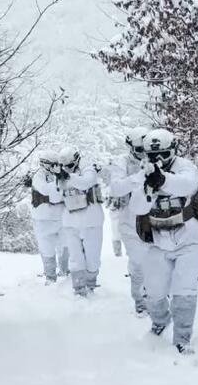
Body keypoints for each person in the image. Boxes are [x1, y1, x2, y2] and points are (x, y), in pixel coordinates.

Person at [129, 129, 198, 353]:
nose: (157, 160)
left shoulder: (185, 167)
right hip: (158, 240)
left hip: (189, 239)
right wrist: (148, 187)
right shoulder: (143, 172)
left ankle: (182, 337)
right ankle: (160, 323)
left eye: (163, 154)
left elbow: (188, 185)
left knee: (184, 288)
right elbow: (137, 207)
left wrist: (162, 180)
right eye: (153, 156)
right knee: (154, 291)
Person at [107, 127, 150, 315]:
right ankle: (141, 303)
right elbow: (116, 187)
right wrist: (139, 177)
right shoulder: (121, 163)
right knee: (139, 262)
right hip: (130, 221)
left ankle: (159, 299)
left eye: (146, 149)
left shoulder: (158, 159)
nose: (144, 154)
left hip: (157, 221)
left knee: (158, 262)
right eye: (140, 149)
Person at [58, 148, 105, 296]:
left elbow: (86, 183)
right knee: (75, 258)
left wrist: (68, 177)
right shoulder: (60, 176)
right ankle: (78, 289)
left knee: (92, 259)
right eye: (64, 166)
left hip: (91, 221)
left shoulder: (88, 170)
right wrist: (58, 179)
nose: (67, 169)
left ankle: (91, 284)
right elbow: (55, 195)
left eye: (69, 165)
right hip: (71, 223)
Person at [29, 151, 68, 285]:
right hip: (43, 219)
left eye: (58, 164)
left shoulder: (60, 175)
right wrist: (59, 180)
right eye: (54, 165)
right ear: (45, 165)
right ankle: (50, 277)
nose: (57, 167)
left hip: (60, 217)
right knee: (47, 247)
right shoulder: (38, 177)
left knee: (65, 245)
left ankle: (65, 272)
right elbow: (46, 190)